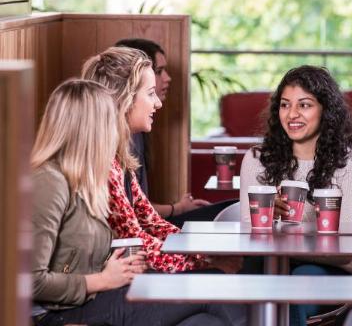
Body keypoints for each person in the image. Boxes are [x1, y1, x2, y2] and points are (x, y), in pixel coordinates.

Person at [31, 79, 243, 326]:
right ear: (90, 128)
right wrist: (103, 279)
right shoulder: (49, 182)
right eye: (111, 122)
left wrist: (123, 266)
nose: (116, 131)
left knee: (205, 321)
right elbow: (30, 281)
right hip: (61, 313)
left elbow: (81, 252)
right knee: (216, 285)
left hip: (97, 296)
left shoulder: (86, 178)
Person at [82, 47, 242, 275]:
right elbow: (135, 242)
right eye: (150, 94)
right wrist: (206, 262)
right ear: (124, 99)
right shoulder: (102, 162)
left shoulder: (117, 155)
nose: (157, 103)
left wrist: (207, 253)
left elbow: (151, 222)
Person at [239, 65, 352, 326]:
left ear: (326, 110)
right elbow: (247, 239)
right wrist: (267, 220)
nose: (292, 114)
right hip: (270, 265)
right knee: (254, 277)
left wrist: (282, 234)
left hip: (332, 271)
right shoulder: (256, 159)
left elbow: (345, 251)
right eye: (285, 105)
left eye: (305, 105)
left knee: (292, 289)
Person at [115, 38, 232, 225]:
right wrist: (177, 209)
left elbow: (138, 203)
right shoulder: (119, 136)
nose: (167, 78)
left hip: (148, 227)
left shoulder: (139, 129)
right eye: (159, 71)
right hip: (139, 234)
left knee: (231, 210)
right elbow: (132, 210)